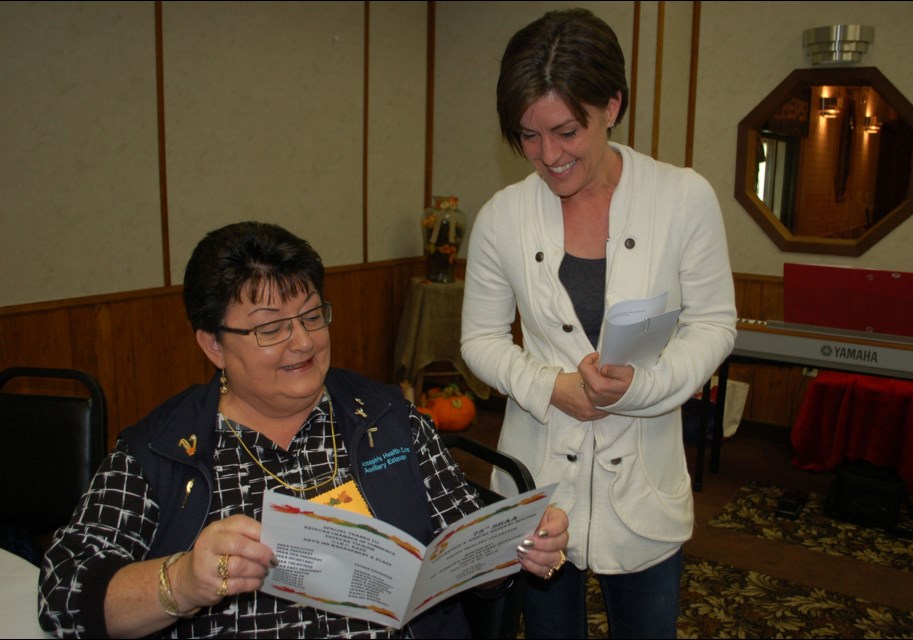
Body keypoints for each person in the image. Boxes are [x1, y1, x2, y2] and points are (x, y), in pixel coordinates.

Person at [39, 221, 569, 639]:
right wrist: (181, 581)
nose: (303, 343)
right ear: (213, 345)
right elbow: (62, 596)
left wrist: (521, 546)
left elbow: (473, 547)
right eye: (271, 328)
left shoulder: (385, 418)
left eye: (313, 316)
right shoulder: (160, 450)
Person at [460, 8, 736, 639]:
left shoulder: (683, 198)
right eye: (528, 137)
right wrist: (549, 386)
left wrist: (637, 388)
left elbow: (714, 324)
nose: (548, 156)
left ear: (612, 105)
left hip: (644, 483)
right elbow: (479, 340)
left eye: (565, 131)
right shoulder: (503, 216)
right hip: (539, 480)